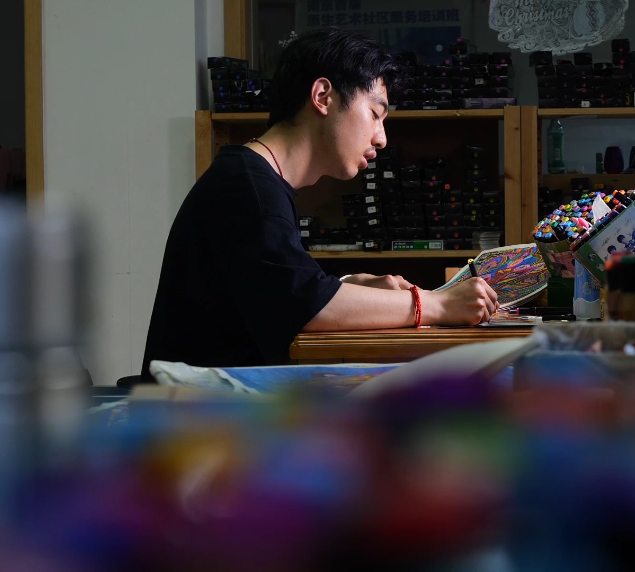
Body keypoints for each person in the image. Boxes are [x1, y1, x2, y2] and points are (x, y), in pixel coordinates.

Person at [140, 28, 498, 378]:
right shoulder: (248, 192)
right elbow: (306, 306)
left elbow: (284, 289)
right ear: (323, 96)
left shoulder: (251, 178)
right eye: (375, 114)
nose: (382, 138)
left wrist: (346, 285)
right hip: (196, 408)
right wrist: (437, 304)